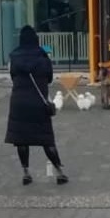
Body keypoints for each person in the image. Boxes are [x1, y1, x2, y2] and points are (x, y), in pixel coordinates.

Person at [6, 26, 67, 184]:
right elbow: (49, 79)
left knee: (21, 139)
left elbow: (13, 77)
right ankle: (59, 172)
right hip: (38, 103)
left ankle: (26, 173)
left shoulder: (14, 57)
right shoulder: (43, 57)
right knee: (46, 139)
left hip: (19, 103)